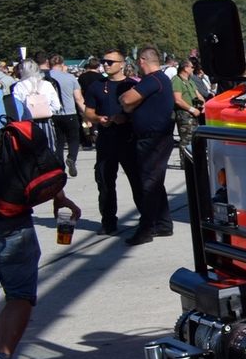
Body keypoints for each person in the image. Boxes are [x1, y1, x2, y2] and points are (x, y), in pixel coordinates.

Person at [0, 86, 82, 359]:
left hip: (5, 216)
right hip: (9, 215)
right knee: (18, 293)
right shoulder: (7, 103)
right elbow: (35, 154)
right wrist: (58, 197)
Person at [118, 47, 175, 246]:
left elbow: (126, 99)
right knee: (154, 182)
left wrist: (128, 103)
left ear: (142, 60)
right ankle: (163, 224)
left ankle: (146, 228)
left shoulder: (153, 79)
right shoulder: (159, 79)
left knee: (149, 184)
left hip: (155, 139)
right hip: (152, 138)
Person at [83, 49, 141, 236]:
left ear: (122, 64)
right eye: (103, 61)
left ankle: (147, 217)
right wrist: (99, 119)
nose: (106, 64)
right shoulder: (96, 86)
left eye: (110, 61)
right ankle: (108, 221)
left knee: (137, 179)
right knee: (105, 181)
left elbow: (142, 112)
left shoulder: (133, 85)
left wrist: (126, 118)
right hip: (106, 140)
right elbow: (88, 112)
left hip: (128, 138)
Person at [12, 59, 61, 154]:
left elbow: (16, 108)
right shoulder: (47, 84)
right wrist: (44, 110)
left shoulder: (19, 86)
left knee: (29, 153)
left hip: (27, 123)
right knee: (49, 150)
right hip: (46, 122)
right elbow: (56, 106)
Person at [47, 54, 84, 177]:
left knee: (59, 141)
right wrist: (86, 114)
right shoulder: (70, 78)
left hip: (53, 113)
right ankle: (72, 158)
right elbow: (78, 98)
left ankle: (59, 165)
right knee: (74, 139)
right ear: (62, 64)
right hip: (70, 112)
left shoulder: (45, 77)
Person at [171, 57, 205, 170]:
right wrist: (191, 109)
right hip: (185, 114)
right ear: (185, 68)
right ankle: (185, 163)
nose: (193, 68)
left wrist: (203, 104)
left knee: (195, 138)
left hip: (195, 113)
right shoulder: (177, 81)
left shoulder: (190, 81)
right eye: (191, 67)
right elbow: (178, 100)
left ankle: (194, 160)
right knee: (186, 140)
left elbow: (197, 94)